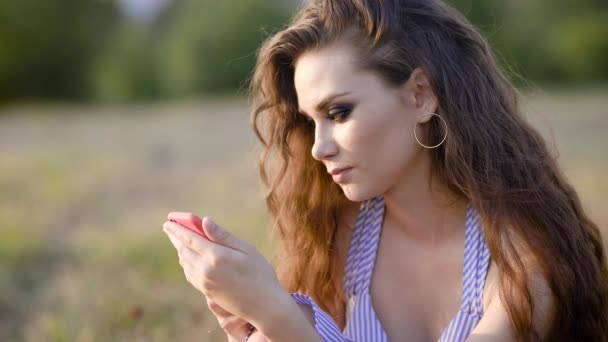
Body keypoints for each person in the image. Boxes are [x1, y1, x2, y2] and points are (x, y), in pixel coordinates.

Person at [162, 0, 608, 341]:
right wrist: (256, 324)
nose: (318, 147)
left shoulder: (522, 258)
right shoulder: (342, 234)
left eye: (339, 112)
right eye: (309, 121)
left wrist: (277, 316)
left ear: (420, 95)